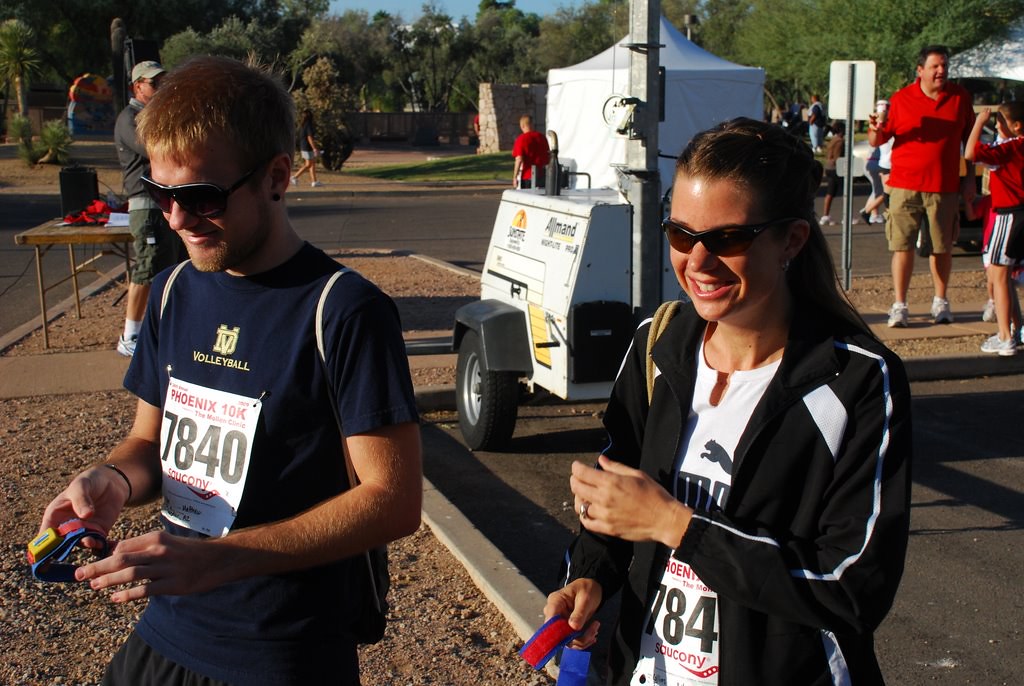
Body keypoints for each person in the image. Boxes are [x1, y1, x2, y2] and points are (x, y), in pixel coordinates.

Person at [35, 56, 423, 685]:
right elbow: (147, 442)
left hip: (282, 651)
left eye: (201, 197)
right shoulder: (171, 292)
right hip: (169, 627)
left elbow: (393, 502)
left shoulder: (344, 311)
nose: (177, 219)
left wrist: (222, 559)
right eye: (161, 195)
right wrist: (114, 480)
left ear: (276, 176)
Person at [544, 117, 912, 685]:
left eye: (728, 239)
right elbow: (617, 511)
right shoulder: (657, 346)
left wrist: (678, 526)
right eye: (680, 234)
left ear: (792, 240)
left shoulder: (857, 380)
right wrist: (588, 577)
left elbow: (853, 589)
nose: (696, 261)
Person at [868, 45, 976, 328]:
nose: (941, 71)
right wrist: (875, 128)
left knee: (942, 247)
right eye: (935, 66)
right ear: (920, 70)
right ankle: (899, 305)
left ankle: (940, 301)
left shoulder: (960, 97)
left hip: (944, 186)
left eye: (944, 65)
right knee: (901, 246)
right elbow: (877, 140)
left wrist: (969, 179)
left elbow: (970, 141)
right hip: (904, 186)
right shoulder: (901, 99)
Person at [113, 60, 184, 357]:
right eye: (155, 83)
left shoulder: (155, 116)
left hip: (166, 203)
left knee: (174, 266)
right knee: (147, 267)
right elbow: (156, 149)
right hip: (146, 204)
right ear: (137, 86)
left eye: (164, 82)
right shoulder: (130, 118)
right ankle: (130, 335)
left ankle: (169, 330)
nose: (161, 88)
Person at [965, 103, 1024, 355]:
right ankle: (1015, 328)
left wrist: (979, 122)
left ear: (1016, 125)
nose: (997, 125)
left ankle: (1005, 336)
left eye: (1000, 121)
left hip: (1008, 214)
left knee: (998, 276)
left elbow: (970, 152)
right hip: (1020, 215)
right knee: (1007, 277)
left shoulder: (1009, 149)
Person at [512, 114, 550, 189]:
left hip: (528, 176)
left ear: (522, 126)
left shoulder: (521, 139)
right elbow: (548, 156)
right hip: (542, 176)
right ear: (532, 124)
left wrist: (515, 177)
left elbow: (519, 159)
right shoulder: (542, 138)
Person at [819, 119, 845, 225]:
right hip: (836, 168)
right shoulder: (840, 141)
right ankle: (846, 215)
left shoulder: (833, 139)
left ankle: (825, 215)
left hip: (829, 167)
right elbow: (838, 157)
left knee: (830, 192)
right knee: (845, 192)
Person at [291, 108, 322, 187]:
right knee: (308, 164)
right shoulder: (308, 125)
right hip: (307, 147)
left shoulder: (303, 125)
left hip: (304, 147)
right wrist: (314, 148)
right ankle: (294, 177)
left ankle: (314, 181)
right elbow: (309, 137)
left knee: (312, 163)